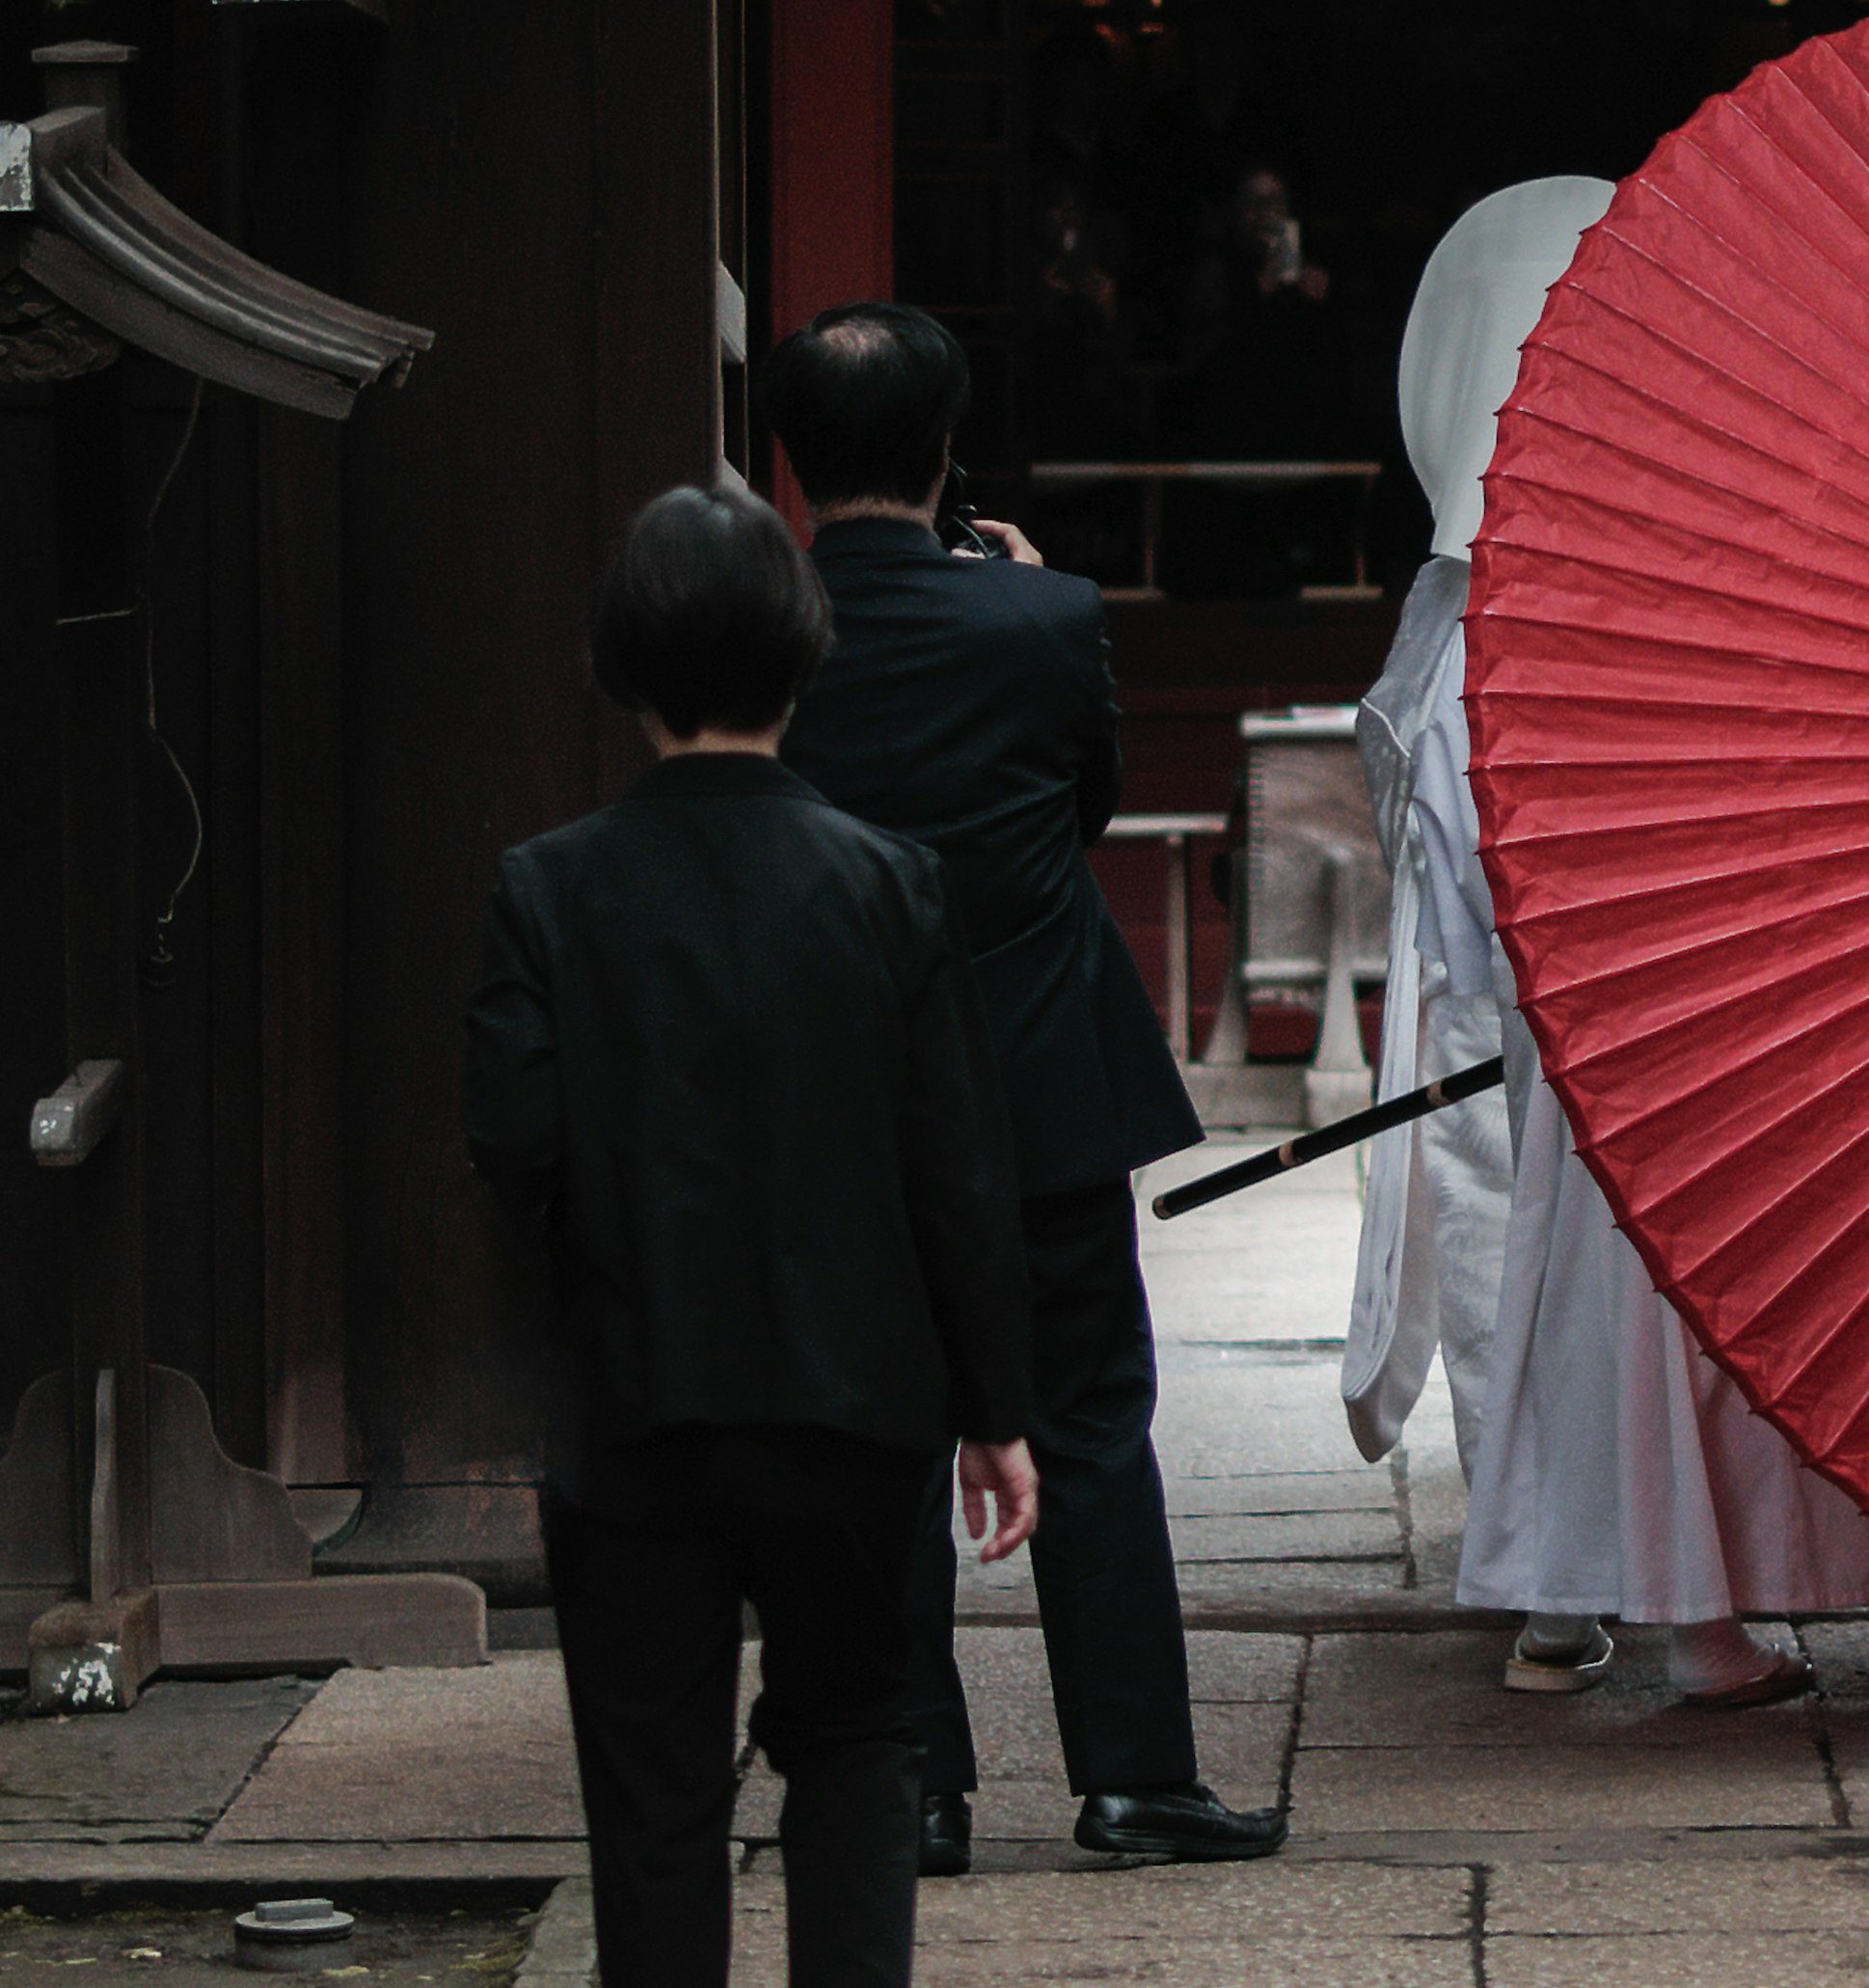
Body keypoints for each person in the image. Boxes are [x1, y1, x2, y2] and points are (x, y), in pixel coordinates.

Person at [465, 484, 1041, 1988]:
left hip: (639, 1403)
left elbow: (512, 1142)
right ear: (803, 661)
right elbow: (955, 1169)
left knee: (650, 1795)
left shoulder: (549, 889)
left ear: (619, 669)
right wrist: (995, 1412)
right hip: (858, 1404)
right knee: (857, 1745)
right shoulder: (889, 884)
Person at [1347, 181, 1869, 1704]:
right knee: (1629, 1300)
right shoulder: (1649, 602)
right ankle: (1660, 1605)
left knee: (1521, 1269)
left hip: (1538, 1012)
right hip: (1649, 1018)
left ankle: (1555, 1587)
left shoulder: (1452, 640)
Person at [762, 304, 1275, 1873]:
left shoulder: (756, 626)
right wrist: (1022, 584)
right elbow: (1089, 798)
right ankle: (1132, 1778)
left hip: (836, 1091)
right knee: (1095, 1419)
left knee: (872, 1443)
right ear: (943, 447)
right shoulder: (1040, 617)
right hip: (1036, 1073)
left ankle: (910, 1783)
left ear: (785, 456)